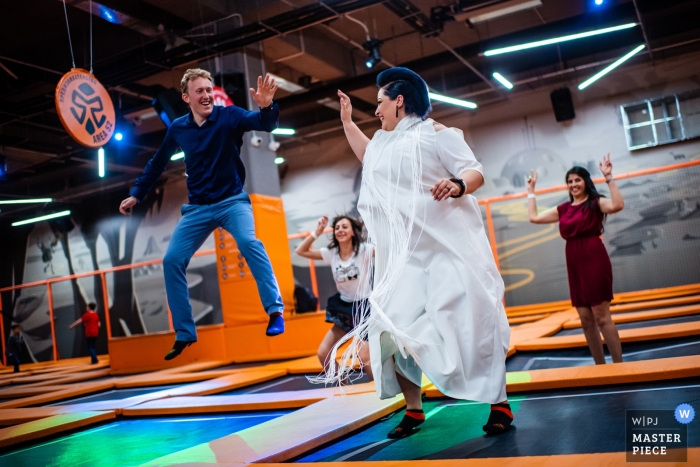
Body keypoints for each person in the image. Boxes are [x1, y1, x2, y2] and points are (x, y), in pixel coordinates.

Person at [326, 67, 513, 439]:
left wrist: (457, 185)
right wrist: (347, 121)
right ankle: (414, 409)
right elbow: (368, 156)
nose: (376, 111)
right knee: (388, 330)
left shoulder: (436, 134)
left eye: (379, 103)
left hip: (448, 252)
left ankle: (498, 402)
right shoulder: (381, 142)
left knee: (470, 323)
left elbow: (474, 172)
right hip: (404, 262)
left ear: (399, 101)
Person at [119, 69, 285, 361]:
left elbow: (263, 123)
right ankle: (185, 332)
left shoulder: (229, 116)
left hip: (232, 202)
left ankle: (274, 310)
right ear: (186, 97)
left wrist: (267, 106)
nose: (207, 95)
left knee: (250, 243)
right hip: (197, 209)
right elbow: (157, 164)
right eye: (200, 91)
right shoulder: (178, 129)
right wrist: (137, 193)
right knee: (171, 260)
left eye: (209, 90)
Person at [527, 155, 624, 364]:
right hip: (574, 262)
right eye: (570, 181)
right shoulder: (563, 209)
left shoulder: (595, 203)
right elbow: (533, 217)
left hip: (594, 258)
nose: (573, 184)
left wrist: (609, 177)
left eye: (577, 180)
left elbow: (617, 205)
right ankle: (600, 367)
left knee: (602, 316)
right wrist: (531, 192)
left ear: (585, 182)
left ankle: (619, 365)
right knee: (586, 319)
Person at [295, 215, 373, 379]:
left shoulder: (364, 250)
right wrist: (317, 232)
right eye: (337, 228)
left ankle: (381, 394)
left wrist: (371, 223)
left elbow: (387, 250)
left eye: (345, 227)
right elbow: (300, 251)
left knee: (365, 357)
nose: (340, 230)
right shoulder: (331, 254)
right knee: (323, 353)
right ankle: (344, 389)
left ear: (353, 232)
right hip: (344, 309)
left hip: (366, 308)